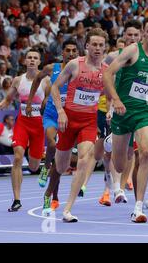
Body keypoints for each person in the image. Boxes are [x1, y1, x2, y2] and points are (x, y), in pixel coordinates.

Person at [103, 16, 148, 223]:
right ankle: (111, 144)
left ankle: (138, 207)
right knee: (121, 166)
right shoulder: (132, 50)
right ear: (142, 33)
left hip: (144, 112)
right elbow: (107, 75)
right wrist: (115, 101)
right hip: (123, 112)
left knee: (145, 153)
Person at [51, 28, 108, 222]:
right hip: (68, 120)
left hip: (88, 123)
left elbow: (110, 95)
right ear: (87, 46)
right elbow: (54, 87)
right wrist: (60, 111)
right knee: (61, 165)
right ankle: (50, 169)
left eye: (101, 45)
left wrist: (110, 108)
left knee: (84, 160)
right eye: (94, 44)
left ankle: (67, 209)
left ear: (105, 48)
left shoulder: (106, 71)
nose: (97, 48)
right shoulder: (75, 65)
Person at [25, 39, 79, 214]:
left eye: (74, 50)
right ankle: (45, 168)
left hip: (69, 118)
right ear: (62, 53)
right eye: (68, 50)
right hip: (51, 116)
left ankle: (52, 193)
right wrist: (30, 101)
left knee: (62, 161)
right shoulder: (52, 68)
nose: (71, 53)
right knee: (53, 145)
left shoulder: (80, 69)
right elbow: (37, 80)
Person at [0, 48, 50, 212]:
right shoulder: (18, 80)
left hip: (39, 126)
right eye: (29, 58)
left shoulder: (46, 81)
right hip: (22, 124)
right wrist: (1, 104)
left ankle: (45, 165)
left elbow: (49, 101)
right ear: (25, 61)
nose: (32, 60)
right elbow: (8, 99)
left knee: (33, 166)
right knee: (18, 157)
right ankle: (17, 199)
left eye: (35, 58)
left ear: (39, 62)